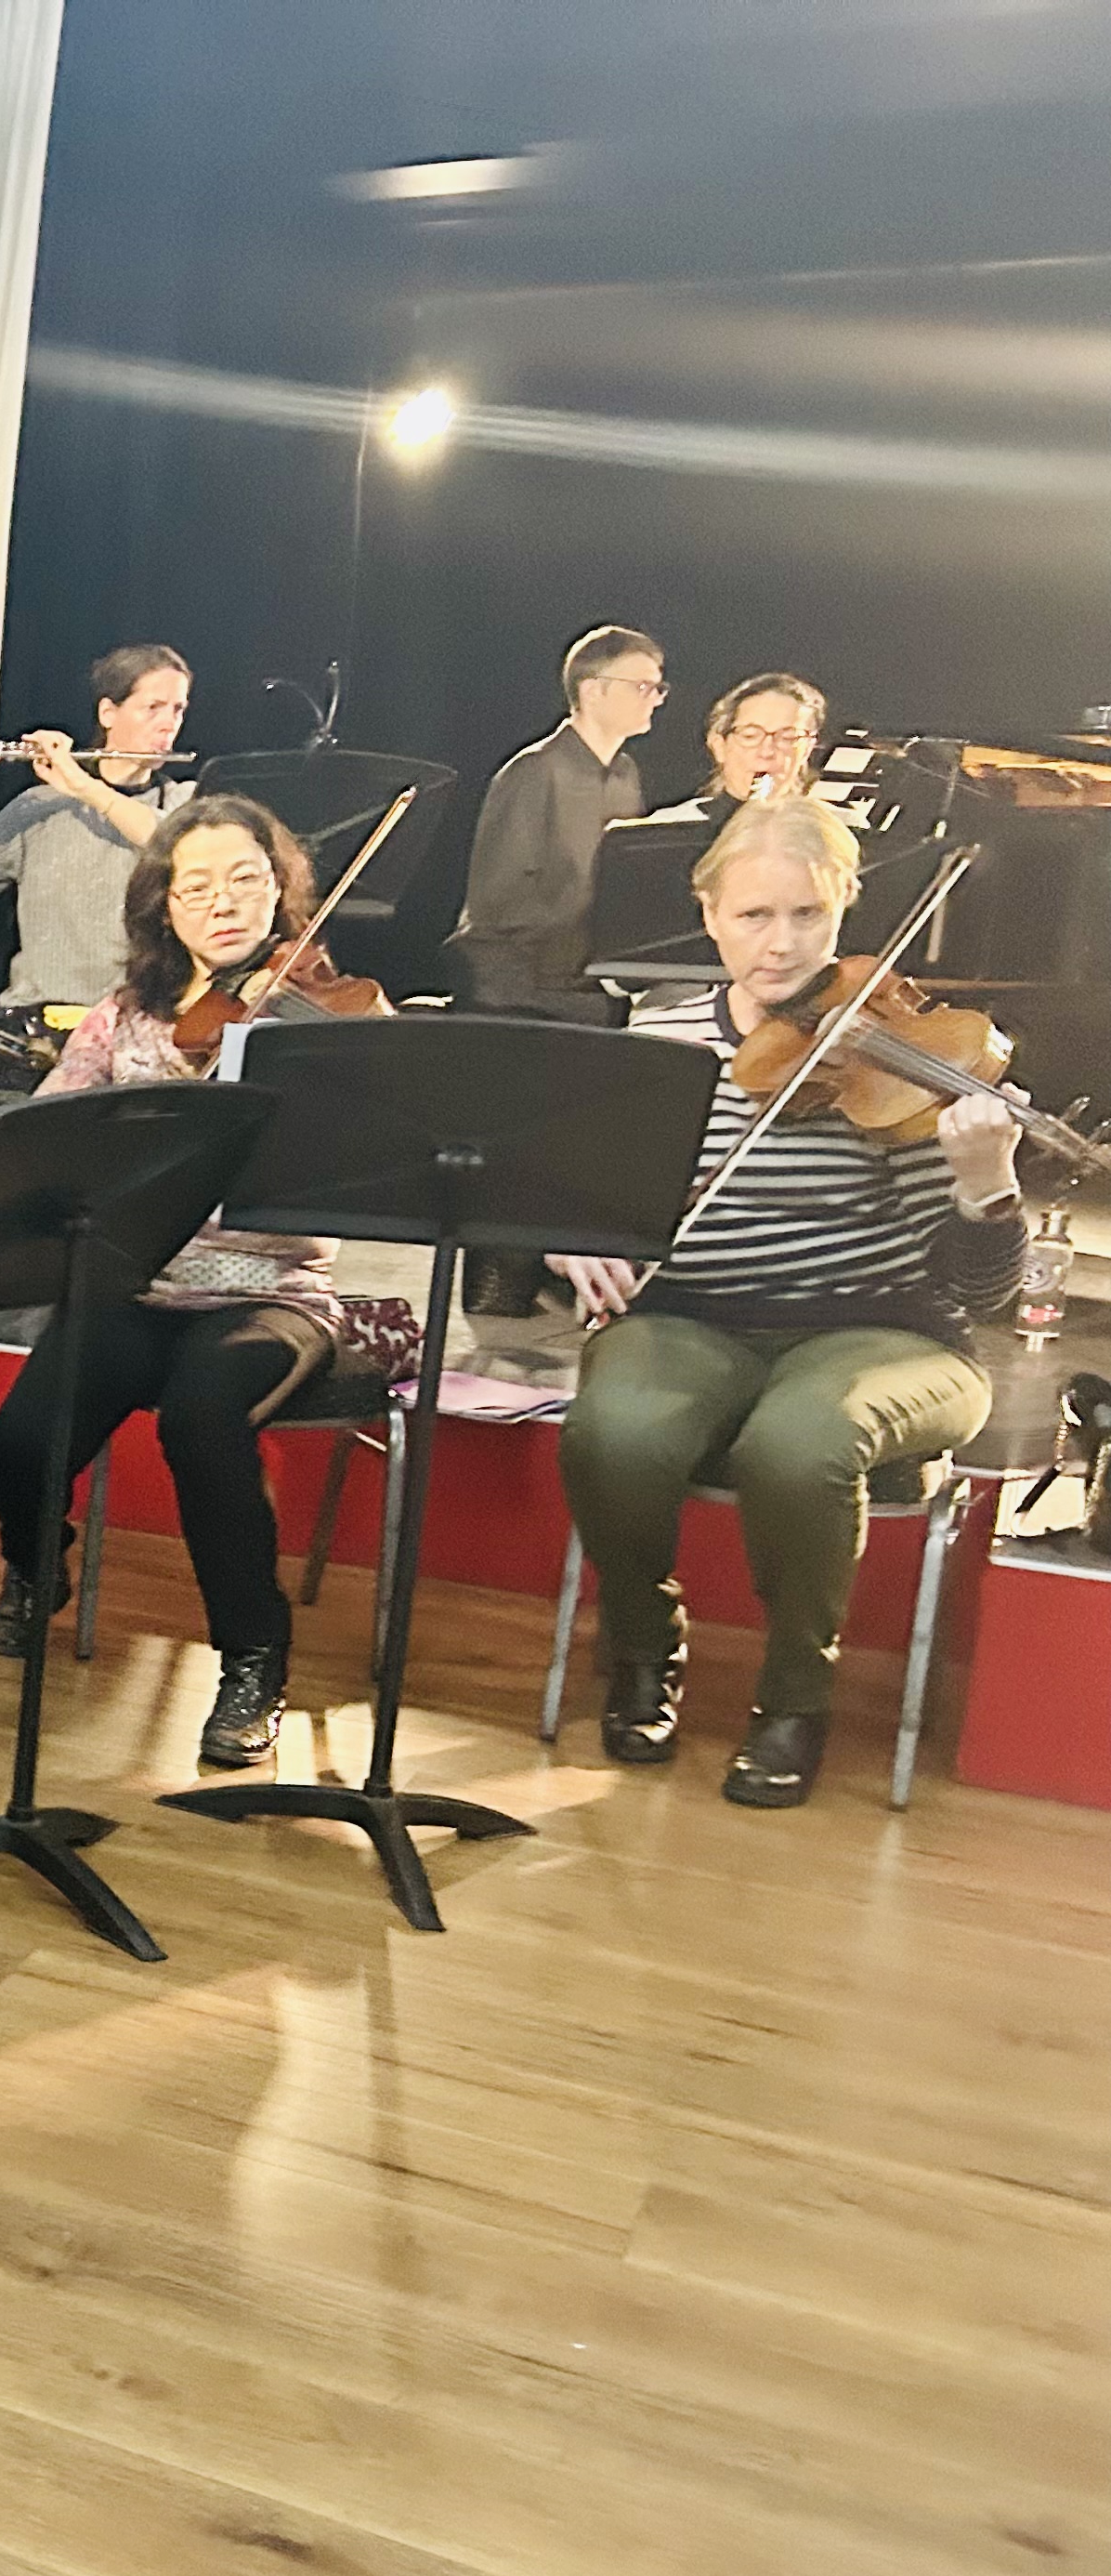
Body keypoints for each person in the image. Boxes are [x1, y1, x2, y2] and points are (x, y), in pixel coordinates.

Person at [551, 796, 1026, 1807]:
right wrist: (574, 1232)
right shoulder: (662, 1040)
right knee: (614, 1431)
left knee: (799, 1442)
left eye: (807, 915)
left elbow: (978, 1293)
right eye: (755, 915)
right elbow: (587, 1195)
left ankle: (796, 1699)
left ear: (844, 906)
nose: (781, 944)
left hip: (884, 1332)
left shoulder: (900, 1053)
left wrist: (987, 1187)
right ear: (709, 915)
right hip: (692, 1316)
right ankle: (642, 1649)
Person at [0, 795, 370, 1770]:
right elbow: (47, 1136)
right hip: (139, 1288)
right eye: (195, 887)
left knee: (202, 1417)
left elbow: (366, 1176)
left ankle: (253, 1660)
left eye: (244, 878)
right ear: (162, 905)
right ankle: (36, 1566)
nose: (222, 902)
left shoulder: (328, 1018)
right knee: (18, 1441)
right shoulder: (122, 1020)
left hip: (273, 1296)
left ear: (280, 889)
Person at [0, 641, 195, 1028]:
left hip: (136, 1027)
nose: (169, 724)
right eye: (153, 707)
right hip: (36, 1024)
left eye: (178, 709)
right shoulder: (42, 805)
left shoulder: (185, 803)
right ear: (108, 712)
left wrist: (82, 785)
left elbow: (175, 845)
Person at [453, 621, 664, 1014]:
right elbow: (496, 906)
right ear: (593, 691)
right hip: (517, 990)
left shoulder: (626, 774)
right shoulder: (533, 771)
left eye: (658, 688)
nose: (655, 699)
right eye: (642, 686)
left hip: (585, 980)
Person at [644, 670, 830, 829]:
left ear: (808, 749)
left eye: (788, 737)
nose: (767, 752)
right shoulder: (666, 827)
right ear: (719, 746)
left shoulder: (832, 830)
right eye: (750, 736)